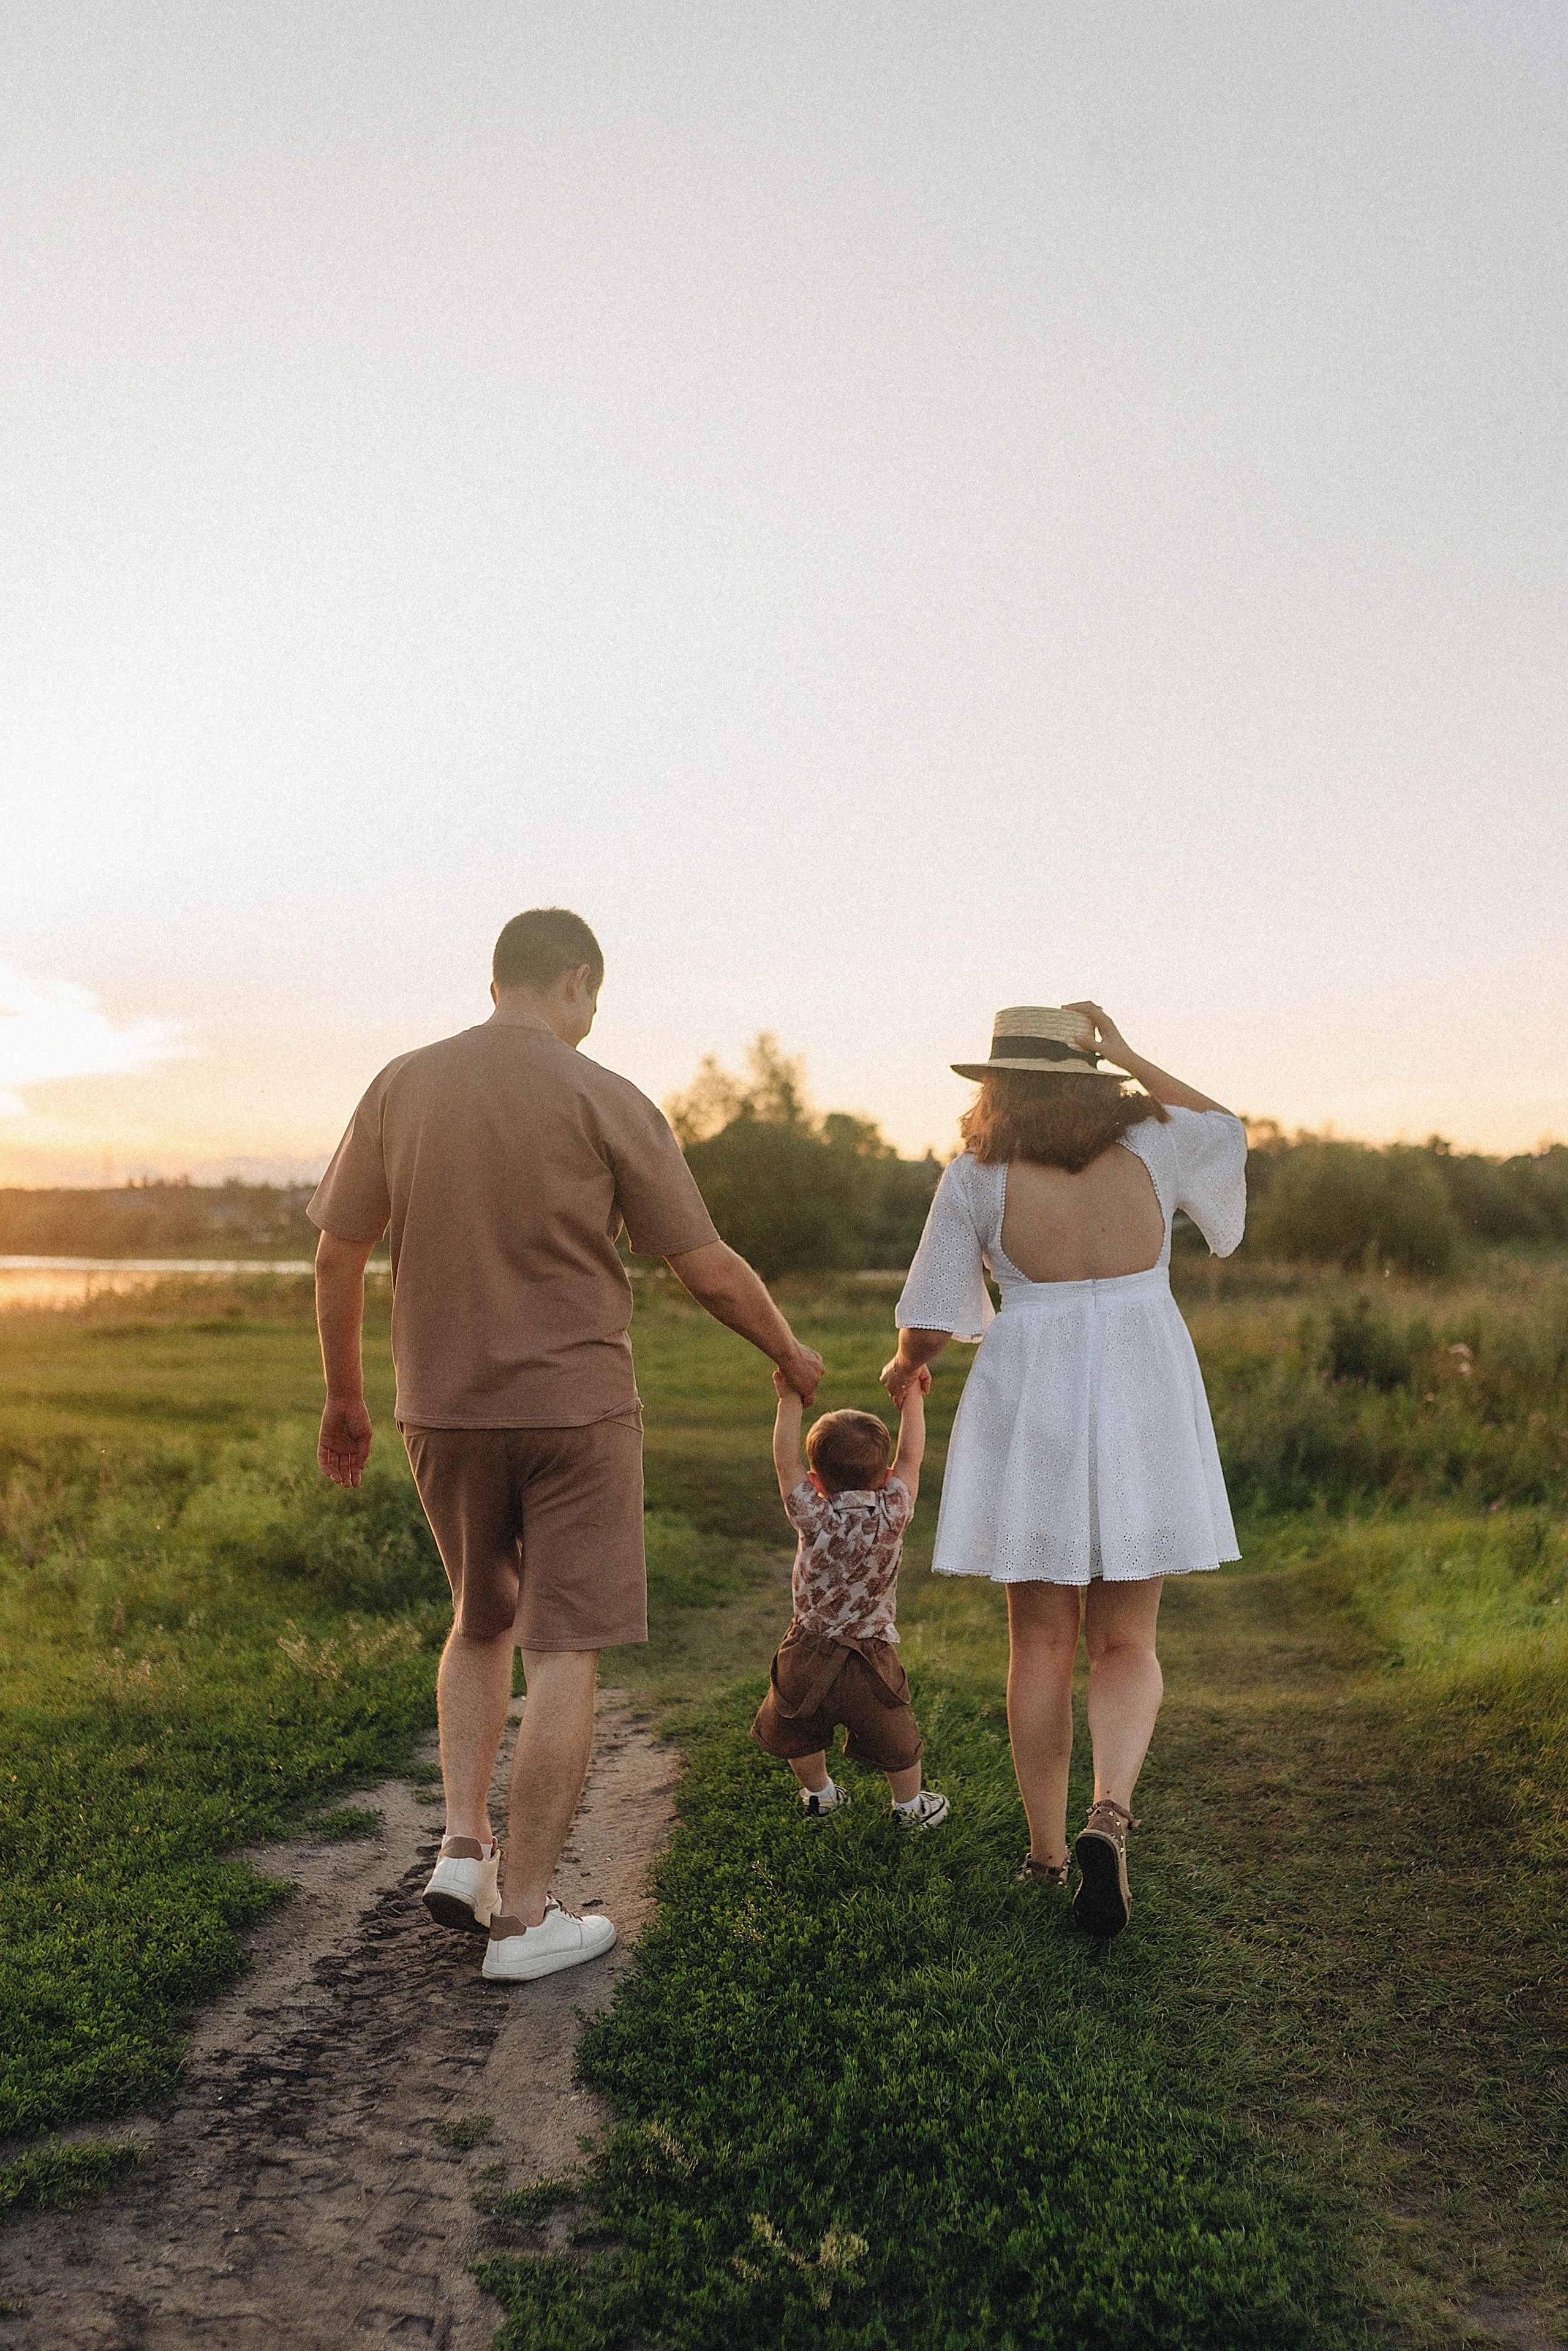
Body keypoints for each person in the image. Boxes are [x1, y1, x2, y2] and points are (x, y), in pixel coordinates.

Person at [309, 907, 824, 1983]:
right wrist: (789, 1350)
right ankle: (527, 1915)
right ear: (576, 982)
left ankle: (463, 1846)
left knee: (478, 1617)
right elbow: (704, 1263)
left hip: (440, 1406)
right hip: (577, 1412)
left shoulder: (401, 1083)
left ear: (496, 979)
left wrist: (346, 1398)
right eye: (595, 998)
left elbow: (336, 1252)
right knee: (563, 1648)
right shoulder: (607, 1096)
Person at [881, 1003, 1246, 1936]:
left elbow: (929, 1311)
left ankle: (1047, 1858)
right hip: (1143, 1387)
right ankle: (1110, 1811)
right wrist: (1128, 1050)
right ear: (1092, 1078)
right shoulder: (1157, 1143)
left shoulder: (977, 1173)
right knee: (1128, 1640)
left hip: (1032, 1389)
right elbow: (1227, 1127)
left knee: (1039, 1640)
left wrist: (904, 1362)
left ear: (995, 1082)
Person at [751, 1370, 949, 1828]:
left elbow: (785, 1464)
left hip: (807, 1648)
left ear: (817, 1481)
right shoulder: (893, 1511)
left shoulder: (812, 1514)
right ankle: (910, 1809)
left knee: (799, 1731)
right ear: (884, 1476)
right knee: (898, 1741)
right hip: (870, 1656)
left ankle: (821, 1796)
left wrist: (789, 1402)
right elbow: (912, 1457)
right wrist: (913, 1399)